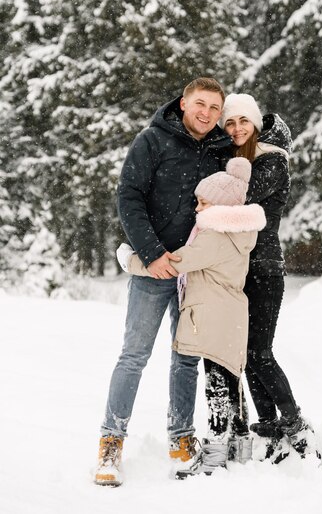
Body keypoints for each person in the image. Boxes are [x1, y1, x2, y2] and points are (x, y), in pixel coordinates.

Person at [94, 77, 233, 487]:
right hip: (156, 269)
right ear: (184, 104)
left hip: (197, 272)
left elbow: (233, 201)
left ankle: (181, 438)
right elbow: (128, 196)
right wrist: (152, 254)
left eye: (214, 107)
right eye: (200, 104)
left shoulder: (222, 149)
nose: (207, 113)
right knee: (134, 355)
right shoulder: (153, 140)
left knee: (186, 358)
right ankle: (111, 442)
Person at [118, 157, 266, 479]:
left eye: (203, 203)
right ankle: (239, 448)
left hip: (214, 319)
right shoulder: (238, 233)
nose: (197, 209)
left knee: (216, 388)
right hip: (231, 316)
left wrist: (130, 260)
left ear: (222, 207)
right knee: (229, 382)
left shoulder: (213, 237)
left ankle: (213, 456)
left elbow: (173, 264)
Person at [214, 92, 319, 463]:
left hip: (264, 269)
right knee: (248, 352)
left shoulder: (270, 161)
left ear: (256, 126)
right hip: (239, 269)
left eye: (243, 121)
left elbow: (239, 198)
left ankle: (293, 423)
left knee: (260, 352)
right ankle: (269, 422)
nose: (237, 128)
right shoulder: (239, 161)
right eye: (229, 122)